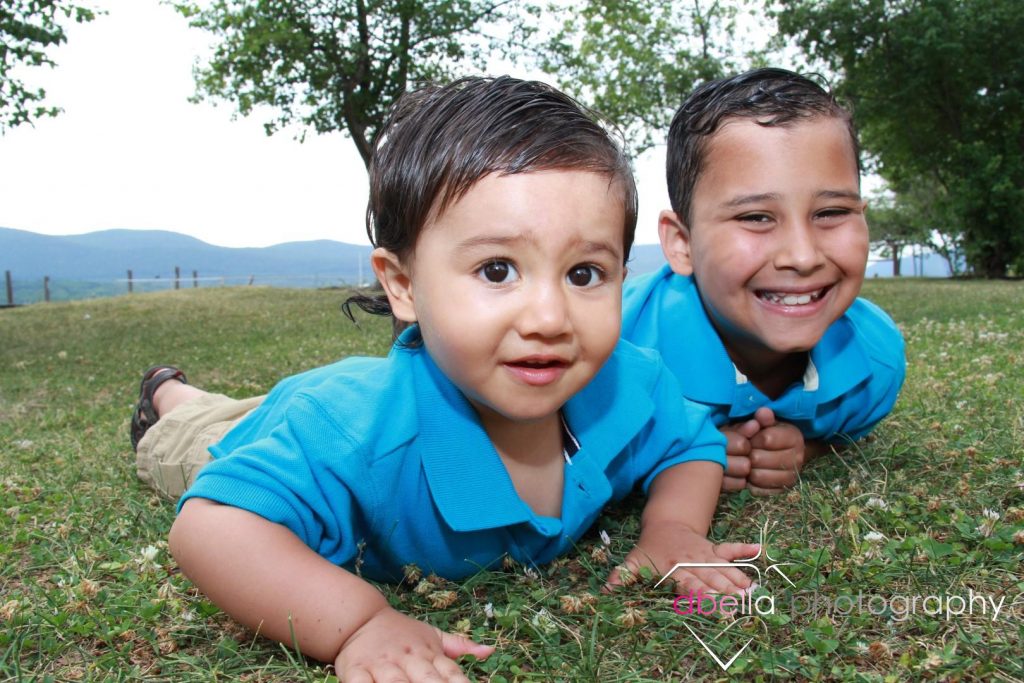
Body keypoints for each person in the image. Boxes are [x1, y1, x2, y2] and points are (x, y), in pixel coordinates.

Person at [130, 76, 758, 682]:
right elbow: (209, 527)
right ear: (402, 284)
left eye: (584, 274)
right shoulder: (350, 436)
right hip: (281, 427)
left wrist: (674, 527)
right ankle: (167, 391)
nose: (549, 317)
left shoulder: (627, 384)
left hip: (332, 406)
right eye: (496, 270)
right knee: (195, 428)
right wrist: (356, 624)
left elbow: (691, 443)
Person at [622, 67, 906, 496]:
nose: (803, 256)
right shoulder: (610, 350)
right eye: (756, 217)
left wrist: (810, 449)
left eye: (831, 213)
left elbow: (850, 433)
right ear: (682, 243)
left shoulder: (875, 363)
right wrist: (675, 455)